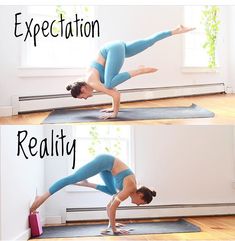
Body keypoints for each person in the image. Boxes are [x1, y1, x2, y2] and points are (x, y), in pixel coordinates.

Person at [66, 25, 195, 119]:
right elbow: (115, 93)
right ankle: (176, 30)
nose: (86, 99)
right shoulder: (90, 77)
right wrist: (112, 107)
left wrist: (114, 113)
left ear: (83, 89)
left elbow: (115, 94)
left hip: (113, 49)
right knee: (148, 42)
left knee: (109, 84)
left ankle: (140, 70)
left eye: (82, 97)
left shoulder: (92, 81)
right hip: (116, 46)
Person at [30, 154, 156, 235]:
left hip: (107, 169)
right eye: (141, 203)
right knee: (72, 178)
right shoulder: (130, 188)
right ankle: (42, 197)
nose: (138, 205)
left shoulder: (129, 190)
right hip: (105, 161)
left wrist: (112, 223)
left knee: (112, 191)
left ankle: (87, 183)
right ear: (140, 196)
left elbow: (109, 206)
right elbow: (113, 207)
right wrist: (114, 229)